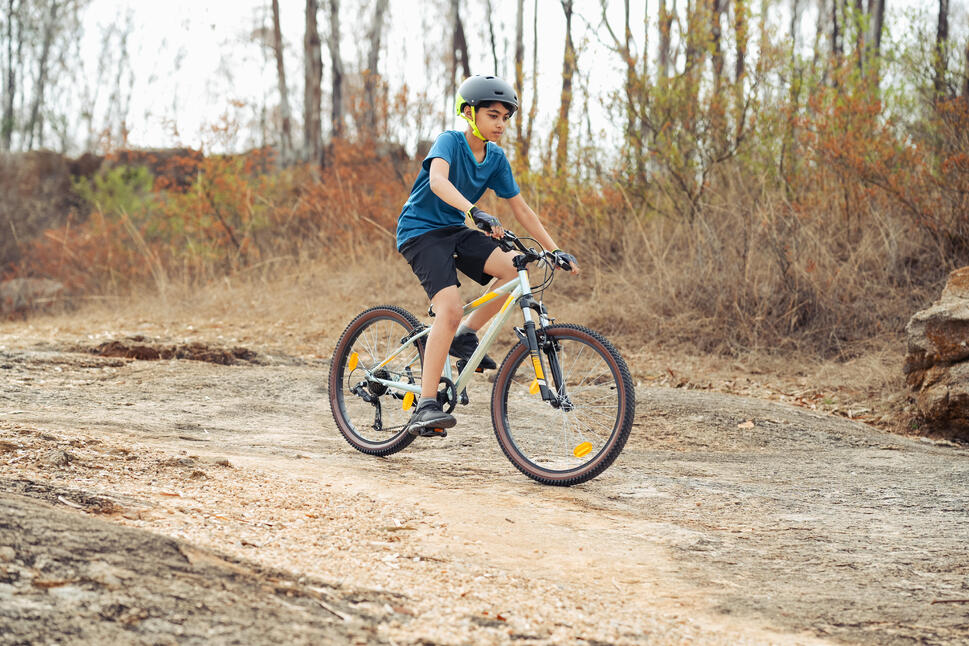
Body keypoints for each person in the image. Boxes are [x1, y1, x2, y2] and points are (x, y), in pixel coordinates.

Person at [395, 74, 579, 437]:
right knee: (447, 308)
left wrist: (553, 249)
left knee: (515, 267)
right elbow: (438, 182)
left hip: (456, 229)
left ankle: (466, 334)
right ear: (469, 113)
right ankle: (426, 405)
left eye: (505, 118)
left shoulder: (495, 158)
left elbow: (522, 209)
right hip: (420, 231)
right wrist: (474, 210)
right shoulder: (450, 141)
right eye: (493, 115)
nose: (501, 124)